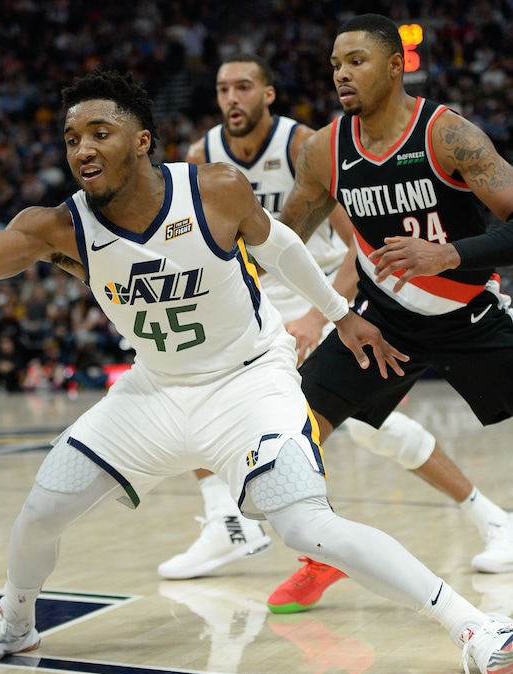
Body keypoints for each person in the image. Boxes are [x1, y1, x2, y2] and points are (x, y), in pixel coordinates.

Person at [0, 70, 513, 674]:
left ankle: (473, 625)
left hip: (249, 383)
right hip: (154, 390)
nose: (83, 148)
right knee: (42, 509)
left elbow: (280, 246)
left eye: (101, 132)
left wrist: (340, 315)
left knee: (308, 526)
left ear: (142, 141)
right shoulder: (59, 226)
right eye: (72, 138)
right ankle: (14, 621)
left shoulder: (213, 189)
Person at [158, 54, 513, 589]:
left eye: (243, 86)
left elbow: (356, 247)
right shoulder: (202, 156)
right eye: (223, 88)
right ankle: (238, 525)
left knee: (373, 430)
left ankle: (487, 517)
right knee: (222, 403)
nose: (232, 97)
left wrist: (319, 313)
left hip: (332, 292)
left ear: (268, 93)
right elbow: (234, 247)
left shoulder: (308, 144)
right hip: (274, 303)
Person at [268, 13, 513, 615]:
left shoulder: (448, 135)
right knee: (293, 438)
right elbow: (279, 240)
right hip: (381, 325)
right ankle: (324, 553)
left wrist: (449, 253)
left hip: (468, 312)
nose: (341, 74)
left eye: (356, 61)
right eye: (335, 64)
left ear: (396, 65)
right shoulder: (325, 149)